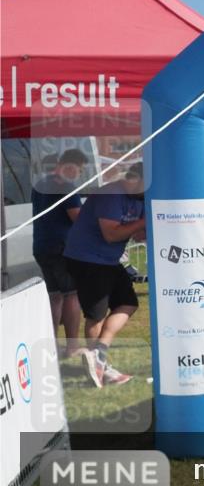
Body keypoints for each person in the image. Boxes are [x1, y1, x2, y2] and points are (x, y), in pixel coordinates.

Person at [63, 163, 146, 387]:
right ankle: (98, 365)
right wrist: (142, 222)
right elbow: (111, 235)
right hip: (87, 259)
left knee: (128, 302)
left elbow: (139, 234)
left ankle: (98, 355)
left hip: (108, 260)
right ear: (135, 180)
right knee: (96, 316)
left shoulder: (138, 197)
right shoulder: (111, 194)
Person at [31, 149, 88, 358]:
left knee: (55, 296)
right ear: (70, 165)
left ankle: (53, 345)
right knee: (72, 294)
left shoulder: (41, 183)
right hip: (63, 248)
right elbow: (78, 218)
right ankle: (72, 346)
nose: (78, 174)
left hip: (41, 246)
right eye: (79, 170)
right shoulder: (66, 187)